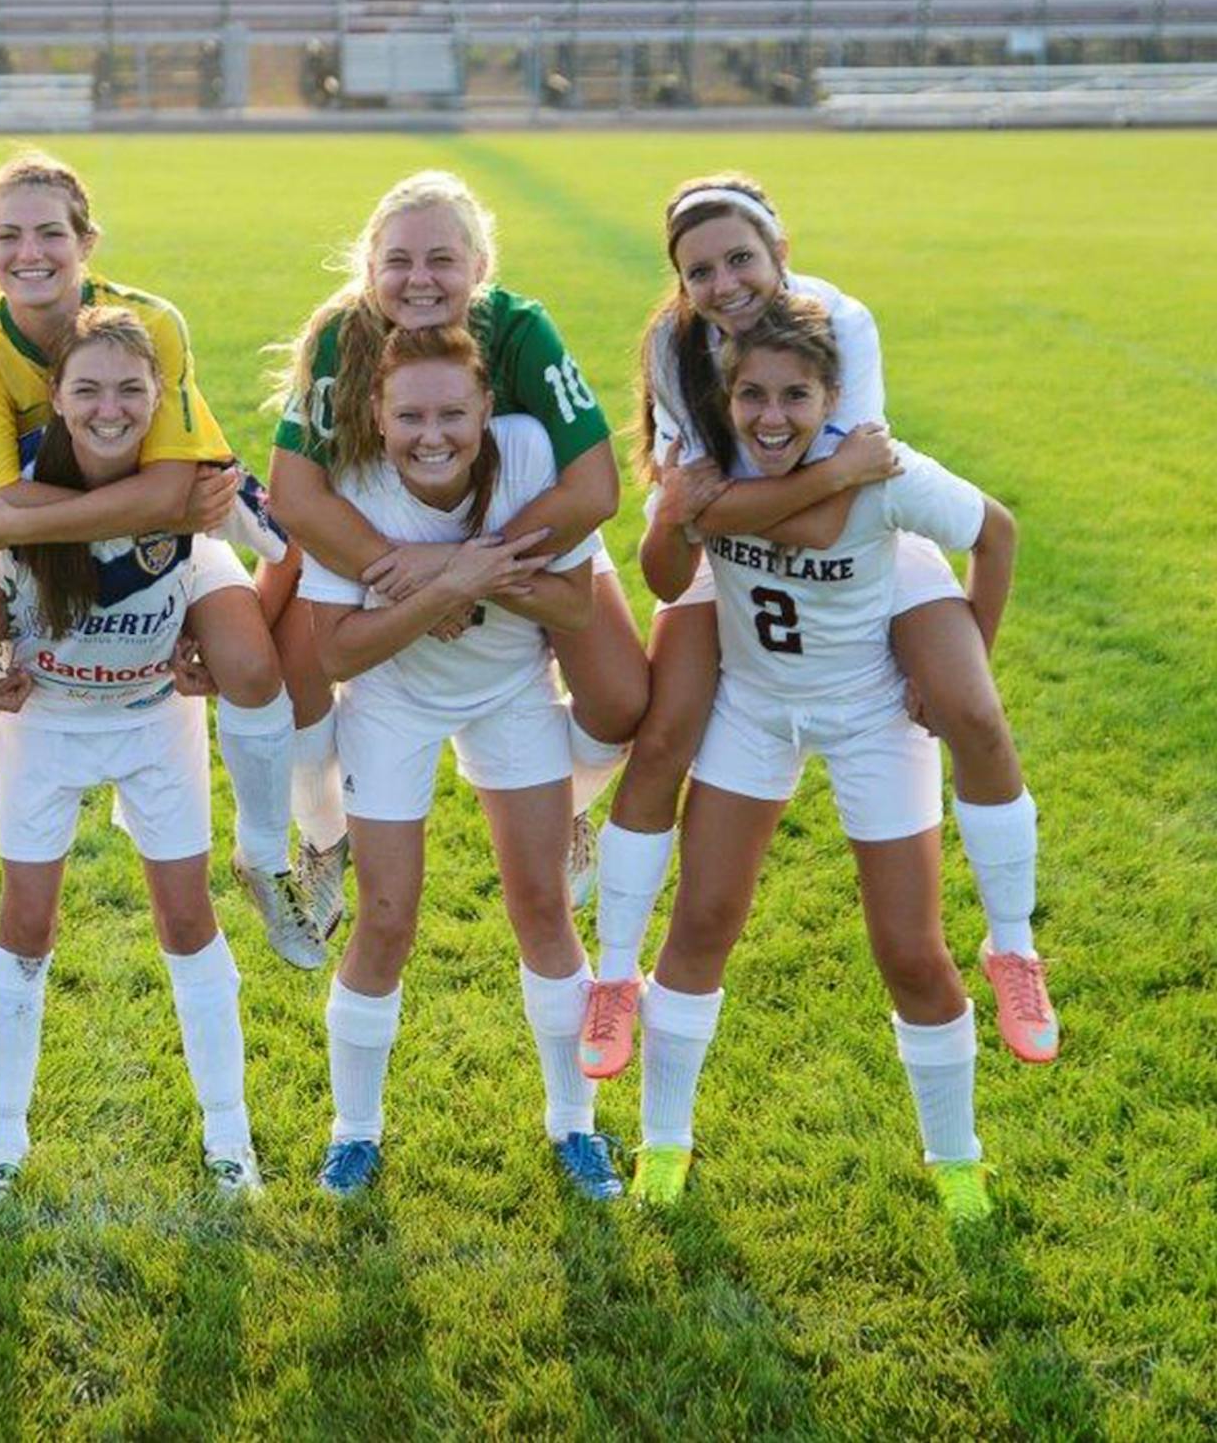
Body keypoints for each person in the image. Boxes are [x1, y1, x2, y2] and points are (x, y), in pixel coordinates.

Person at [578, 174, 1054, 1080]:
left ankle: (1013, 948)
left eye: (740, 259)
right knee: (666, 734)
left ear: (781, 253)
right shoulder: (676, 348)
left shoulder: (840, 322)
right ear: (680, 282)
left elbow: (837, 519)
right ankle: (614, 977)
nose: (723, 284)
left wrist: (728, 504)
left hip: (863, 549)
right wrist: (775, 492)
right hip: (732, 562)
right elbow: (729, 518)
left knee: (971, 710)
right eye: (699, 271)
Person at [0, 150, 327, 971]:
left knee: (248, 662)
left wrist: (163, 516)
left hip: (150, 535)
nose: (30, 253)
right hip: (19, 541)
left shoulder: (149, 323)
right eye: (8, 235)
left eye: (51, 233)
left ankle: (267, 860)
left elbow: (181, 491)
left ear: (87, 242)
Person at [629, 296, 1018, 1224]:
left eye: (795, 396)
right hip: (755, 711)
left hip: (871, 716)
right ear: (725, 399)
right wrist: (673, 513)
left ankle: (956, 1158)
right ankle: (663, 1144)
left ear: (833, 398)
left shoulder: (883, 471)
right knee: (702, 923)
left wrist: (963, 661)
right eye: (753, 396)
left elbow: (994, 531)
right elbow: (667, 579)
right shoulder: (709, 475)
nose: (772, 417)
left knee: (911, 951)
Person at [0, 309, 262, 1211]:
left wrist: (226, 638)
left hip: (155, 721)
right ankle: (3, 1140)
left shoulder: (197, 487)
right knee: (25, 923)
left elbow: (291, 542)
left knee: (187, 918)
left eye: (129, 390)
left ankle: (229, 1136)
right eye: (87, 390)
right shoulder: (12, 493)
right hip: (43, 724)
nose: (109, 408)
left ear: (161, 398)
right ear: (56, 397)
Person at [268, 170, 648, 920]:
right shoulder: (341, 338)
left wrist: (464, 570)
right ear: (370, 268)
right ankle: (323, 833)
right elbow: (295, 497)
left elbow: (595, 491)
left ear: (480, 266)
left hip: (515, 530)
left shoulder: (520, 330)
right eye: (399, 261)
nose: (420, 279)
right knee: (289, 686)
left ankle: (567, 803)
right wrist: (422, 579)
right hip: (377, 534)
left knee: (621, 702)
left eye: (441, 259)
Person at [300, 323, 623, 1201]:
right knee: (387, 917)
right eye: (409, 415)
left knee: (543, 905)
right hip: (391, 700)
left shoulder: (526, 456)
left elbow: (575, 605)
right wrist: (447, 586)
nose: (432, 434)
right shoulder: (352, 479)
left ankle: (575, 1125)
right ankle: (354, 1133)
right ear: (376, 413)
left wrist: (461, 569)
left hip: (510, 690)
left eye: (453, 413)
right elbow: (337, 652)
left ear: (487, 409)